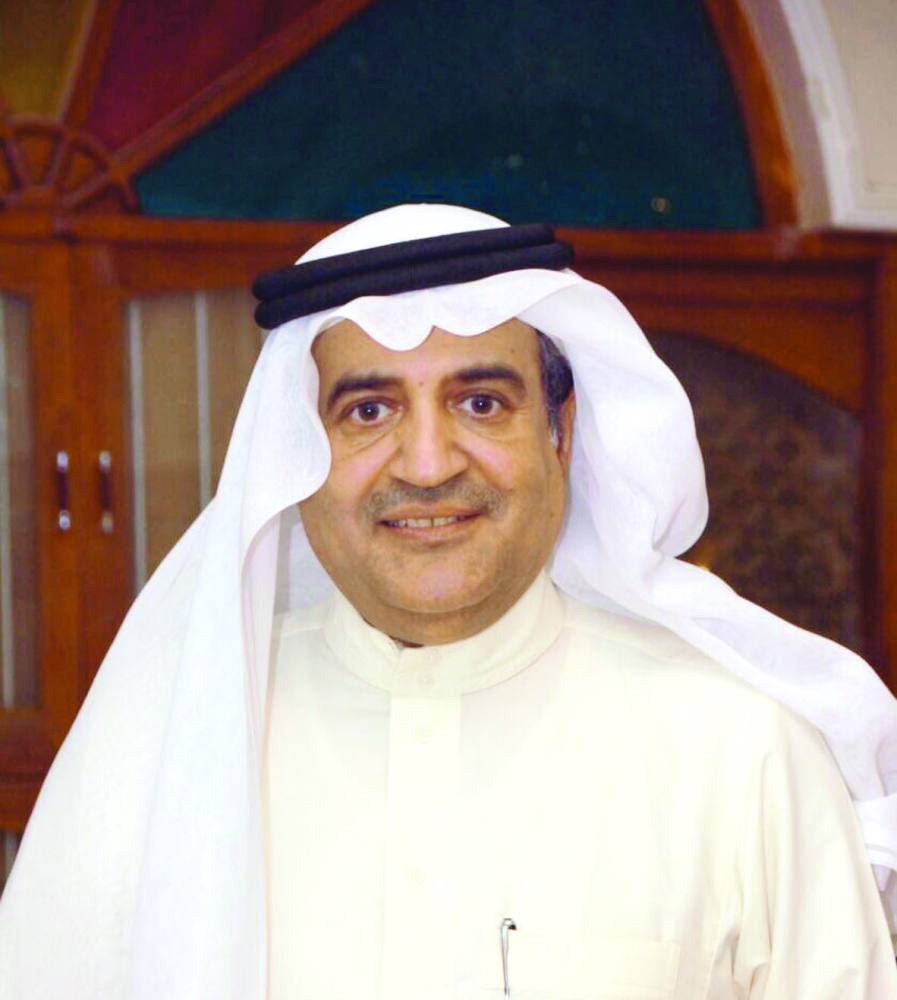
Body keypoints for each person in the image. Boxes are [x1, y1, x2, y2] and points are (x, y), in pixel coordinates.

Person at [1, 203, 896, 999]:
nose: (427, 465)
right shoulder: (176, 741)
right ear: (295, 452)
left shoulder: (741, 754)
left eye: (479, 402)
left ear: (560, 434)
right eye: (368, 411)